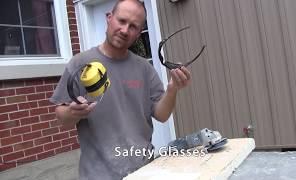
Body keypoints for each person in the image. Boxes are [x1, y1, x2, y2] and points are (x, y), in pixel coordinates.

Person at [50, 0, 191, 179]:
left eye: (133, 27)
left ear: (139, 33)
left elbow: (161, 115)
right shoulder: (80, 63)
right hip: (98, 174)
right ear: (109, 18)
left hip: (144, 171)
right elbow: (62, 117)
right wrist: (73, 111)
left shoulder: (144, 68)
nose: (125, 30)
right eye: (122, 21)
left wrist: (172, 89)